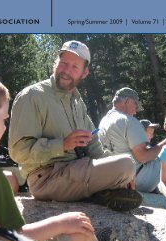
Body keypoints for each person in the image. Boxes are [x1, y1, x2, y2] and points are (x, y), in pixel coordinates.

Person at [8, 41, 141, 211]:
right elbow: (18, 152)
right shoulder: (31, 96)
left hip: (77, 170)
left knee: (126, 164)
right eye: (63, 63)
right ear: (56, 63)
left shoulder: (78, 103)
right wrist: (62, 145)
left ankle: (102, 193)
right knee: (126, 165)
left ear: (84, 73)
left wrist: (118, 172)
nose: (66, 71)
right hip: (46, 178)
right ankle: (101, 193)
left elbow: (94, 146)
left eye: (74, 67)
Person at [0, 71, 103, 241]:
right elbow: (13, 237)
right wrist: (61, 222)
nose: (5, 128)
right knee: (80, 232)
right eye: (4, 119)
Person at [99, 88, 166, 193]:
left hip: (112, 178)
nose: (136, 111)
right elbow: (143, 157)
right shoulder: (129, 121)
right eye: (135, 105)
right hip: (134, 180)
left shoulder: (104, 121)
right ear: (127, 101)